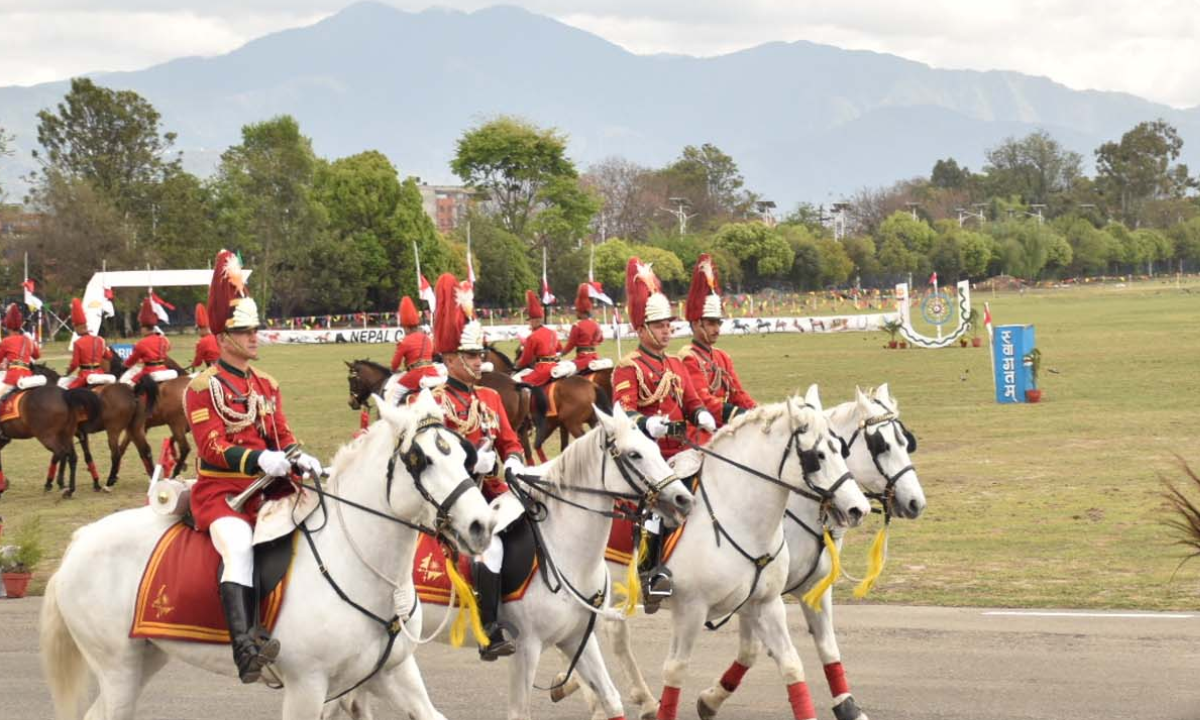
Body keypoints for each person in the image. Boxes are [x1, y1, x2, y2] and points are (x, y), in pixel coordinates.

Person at [185, 249, 323, 684]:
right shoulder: (203, 387)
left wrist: (301, 459)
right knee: (240, 546)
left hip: (267, 490)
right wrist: (259, 459)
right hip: (223, 496)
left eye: (255, 329)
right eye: (244, 331)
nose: (254, 337)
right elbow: (210, 447)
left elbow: (282, 434)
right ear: (223, 338)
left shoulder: (266, 385)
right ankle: (244, 645)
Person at [423, 272, 526, 660]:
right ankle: (488, 628)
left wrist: (514, 461)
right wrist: (471, 458)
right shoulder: (435, 400)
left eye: (480, 354)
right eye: (470, 356)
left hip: (492, 491)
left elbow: (510, 441)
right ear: (450, 358)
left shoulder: (489, 397)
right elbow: (436, 454)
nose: (478, 360)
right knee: (489, 549)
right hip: (453, 501)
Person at [611, 257, 715, 611]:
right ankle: (650, 572)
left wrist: (701, 413)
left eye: (669, 324)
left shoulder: (675, 365)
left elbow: (692, 400)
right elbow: (622, 412)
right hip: (648, 456)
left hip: (682, 450)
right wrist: (646, 424)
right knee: (654, 508)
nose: (667, 331)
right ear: (642, 329)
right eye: (659, 325)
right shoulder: (629, 367)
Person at [677, 254, 756, 434]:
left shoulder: (722, 357)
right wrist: (741, 415)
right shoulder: (689, 358)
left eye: (718, 323)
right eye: (711, 323)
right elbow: (703, 400)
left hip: (727, 426)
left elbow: (738, 393)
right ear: (697, 324)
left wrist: (757, 412)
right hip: (703, 430)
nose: (717, 329)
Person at [386, 296, 440, 404]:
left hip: (414, 376)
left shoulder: (404, 342)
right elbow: (434, 353)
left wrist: (393, 369)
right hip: (432, 373)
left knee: (393, 394)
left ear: (405, 327)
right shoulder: (427, 338)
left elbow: (395, 364)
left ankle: (390, 419)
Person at [513, 290, 560, 387]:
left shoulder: (532, 337)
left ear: (534, 321)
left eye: (529, 320)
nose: (529, 323)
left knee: (517, 383)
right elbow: (559, 348)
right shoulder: (553, 333)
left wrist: (516, 365)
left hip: (542, 370)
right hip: (555, 367)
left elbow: (526, 359)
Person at [65, 298, 113, 389]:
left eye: (75, 328)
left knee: (67, 391)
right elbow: (109, 356)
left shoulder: (78, 343)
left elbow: (75, 364)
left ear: (78, 327)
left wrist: (68, 372)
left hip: (85, 376)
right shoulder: (100, 340)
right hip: (100, 374)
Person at [122, 297, 171, 385]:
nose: (140, 330)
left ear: (144, 328)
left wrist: (125, 364)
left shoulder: (142, 343)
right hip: (163, 369)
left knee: (128, 385)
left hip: (148, 372)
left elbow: (132, 360)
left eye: (141, 327)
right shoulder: (164, 340)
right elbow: (168, 349)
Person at [560, 283, 604, 374]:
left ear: (580, 311)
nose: (575, 313)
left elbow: (571, 344)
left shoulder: (577, 325)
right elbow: (600, 339)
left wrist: (561, 354)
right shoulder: (596, 324)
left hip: (582, 360)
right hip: (594, 357)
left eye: (576, 310)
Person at [0, 303, 40, 398]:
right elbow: (37, 355)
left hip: (13, 377)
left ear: (7, 326)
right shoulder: (28, 339)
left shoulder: (6, 341)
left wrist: (4, 364)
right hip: (27, 375)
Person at [190, 303, 220, 370]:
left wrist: (193, 364)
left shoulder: (202, 341)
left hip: (213, 369)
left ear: (202, 329)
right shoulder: (217, 336)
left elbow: (198, 362)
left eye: (198, 329)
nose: (198, 332)